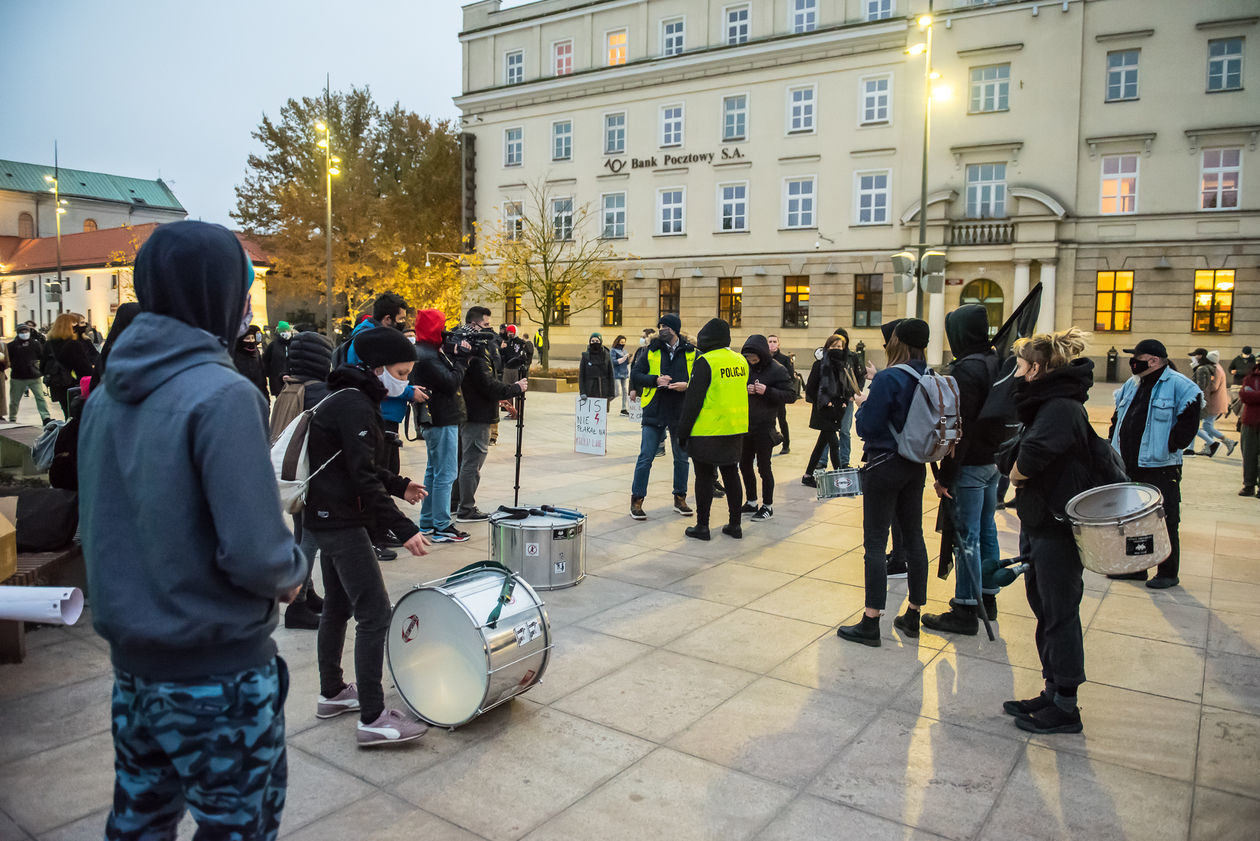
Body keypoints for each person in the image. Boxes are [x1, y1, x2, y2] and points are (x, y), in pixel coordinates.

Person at [79, 221, 307, 838]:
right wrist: (293, 572)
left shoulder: (104, 395)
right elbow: (258, 551)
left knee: (139, 821)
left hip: (135, 668)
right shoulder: (223, 394)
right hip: (218, 672)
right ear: (220, 291)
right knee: (240, 825)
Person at [304, 327, 430, 746]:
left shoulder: (347, 398)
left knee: (338, 605)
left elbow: (361, 467)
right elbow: (360, 477)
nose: (405, 379)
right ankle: (373, 718)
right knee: (375, 613)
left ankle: (332, 693)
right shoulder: (355, 405)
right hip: (340, 521)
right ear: (376, 369)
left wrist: (401, 484)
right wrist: (404, 528)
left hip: (327, 515)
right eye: (400, 371)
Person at [1001, 328, 1103, 735]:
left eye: (1021, 366)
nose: (1017, 373)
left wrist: (1014, 472)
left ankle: (1066, 706)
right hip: (1042, 519)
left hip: (1057, 527)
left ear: (1037, 368)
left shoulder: (1060, 407)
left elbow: (1031, 457)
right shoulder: (1051, 403)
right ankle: (1051, 689)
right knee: (1045, 609)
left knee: (1059, 614)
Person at [837, 318, 932, 647]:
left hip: (884, 463)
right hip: (915, 465)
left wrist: (863, 405)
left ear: (897, 342)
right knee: (915, 538)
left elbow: (866, 428)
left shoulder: (890, 376)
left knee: (875, 544)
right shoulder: (930, 374)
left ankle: (871, 621)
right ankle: (914, 614)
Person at [923, 305, 1002, 635]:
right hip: (993, 459)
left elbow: (959, 428)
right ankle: (988, 596)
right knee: (986, 529)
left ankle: (966, 608)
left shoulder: (967, 370)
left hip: (970, 463)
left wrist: (945, 475)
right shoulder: (996, 361)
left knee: (966, 535)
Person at [1108, 338, 1203, 589]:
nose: (1132, 363)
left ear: (1153, 361)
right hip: (1129, 464)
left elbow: (1190, 420)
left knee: (1165, 520)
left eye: (1136, 359)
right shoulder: (1132, 383)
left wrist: (1172, 444)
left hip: (1160, 467)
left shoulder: (1180, 385)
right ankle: (1137, 568)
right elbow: (1118, 416)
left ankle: (1168, 572)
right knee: (1132, 519)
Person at [274, 331, 337, 630]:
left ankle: (308, 594)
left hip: (294, 477)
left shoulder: (289, 386)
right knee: (308, 539)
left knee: (302, 534)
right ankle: (297, 605)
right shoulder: (317, 391)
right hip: (311, 475)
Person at [677, 318, 748, 540]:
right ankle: (735, 524)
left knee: (704, 477)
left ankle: (703, 526)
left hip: (707, 430)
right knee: (731, 474)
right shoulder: (740, 360)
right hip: (735, 428)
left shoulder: (705, 361)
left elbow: (693, 400)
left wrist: (683, 432)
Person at [457, 306, 527, 523]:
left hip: (472, 411)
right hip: (476, 415)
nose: (490, 331)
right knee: (472, 462)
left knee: (464, 460)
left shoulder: (474, 349)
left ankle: (456, 502)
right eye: (486, 326)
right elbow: (487, 384)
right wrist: (514, 388)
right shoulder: (474, 354)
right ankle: (466, 508)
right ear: (473, 324)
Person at [412, 308, 472, 543]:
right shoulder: (427, 356)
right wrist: (461, 361)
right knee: (446, 473)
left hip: (434, 418)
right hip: (442, 418)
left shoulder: (425, 351)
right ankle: (442, 526)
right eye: (442, 326)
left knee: (433, 472)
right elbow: (450, 382)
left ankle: (428, 522)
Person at [629, 314, 695, 520]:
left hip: (680, 411)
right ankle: (637, 500)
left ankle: (680, 498)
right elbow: (636, 374)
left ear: (675, 329)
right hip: (655, 410)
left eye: (665, 326)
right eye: (660, 326)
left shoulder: (692, 352)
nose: (661, 329)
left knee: (682, 458)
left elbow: (701, 379)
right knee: (646, 457)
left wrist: (687, 386)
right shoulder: (651, 350)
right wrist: (655, 380)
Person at [739, 334, 796, 521]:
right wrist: (743, 389)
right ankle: (752, 501)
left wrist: (767, 391)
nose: (751, 361)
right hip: (745, 425)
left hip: (765, 426)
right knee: (745, 465)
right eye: (748, 358)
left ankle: (768, 506)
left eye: (754, 358)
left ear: (762, 354)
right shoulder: (745, 367)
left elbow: (791, 395)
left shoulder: (777, 369)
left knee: (764, 467)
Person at [801, 334, 859, 486]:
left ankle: (807, 475)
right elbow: (810, 390)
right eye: (833, 346)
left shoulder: (843, 365)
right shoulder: (819, 365)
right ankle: (841, 478)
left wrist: (845, 401)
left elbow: (845, 388)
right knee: (834, 444)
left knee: (821, 444)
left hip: (837, 412)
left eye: (840, 347)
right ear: (827, 347)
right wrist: (825, 402)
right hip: (824, 412)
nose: (837, 349)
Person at [42, 312, 100, 418]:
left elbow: (42, 366)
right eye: (79, 323)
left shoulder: (49, 343)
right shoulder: (73, 344)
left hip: (57, 383)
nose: (83, 326)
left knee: (67, 413)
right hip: (75, 383)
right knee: (78, 415)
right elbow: (84, 368)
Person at [1191, 349, 1235, 456]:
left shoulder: (1217, 370)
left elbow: (1213, 386)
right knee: (1208, 424)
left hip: (1215, 401)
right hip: (1216, 400)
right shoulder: (1217, 368)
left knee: (1206, 425)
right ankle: (1209, 447)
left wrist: (1205, 387)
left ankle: (1227, 441)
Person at [7, 324, 51, 424]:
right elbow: (8, 360)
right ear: (18, 333)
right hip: (17, 377)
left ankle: (45, 417)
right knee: (14, 400)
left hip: (34, 376)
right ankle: (12, 417)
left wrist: (41, 369)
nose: (24, 334)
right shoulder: (11, 346)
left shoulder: (35, 344)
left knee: (40, 397)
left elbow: (42, 357)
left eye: (26, 331)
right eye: (22, 332)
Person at [767, 335, 794, 454]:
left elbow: (790, 377)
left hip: (779, 395)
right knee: (767, 421)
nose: (772, 344)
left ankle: (786, 444)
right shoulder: (764, 358)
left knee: (782, 420)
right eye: (770, 342)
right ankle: (769, 442)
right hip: (766, 394)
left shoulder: (784, 359)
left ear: (778, 344)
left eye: (774, 342)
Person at [1239, 363, 1260, 497]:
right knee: (1249, 455)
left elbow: (1250, 395)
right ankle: (1249, 485)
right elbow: (1244, 395)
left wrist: (1254, 394)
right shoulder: (1251, 377)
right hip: (1249, 422)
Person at [579, 332, 616, 402]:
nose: (595, 343)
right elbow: (581, 375)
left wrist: (612, 393)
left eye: (597, 341)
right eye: (592, 341)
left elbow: (611, 374)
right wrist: (582, 392)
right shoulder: (585, 356)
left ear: (601, 342)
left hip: (603, 389)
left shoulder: (606, 355)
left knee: (601, 412)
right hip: (589, 389)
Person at [233, 331, 269, 400]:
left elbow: (262, 374)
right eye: (247, 338)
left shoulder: (256, 352)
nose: (251, 341)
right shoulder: (234, 354)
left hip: (258, 392)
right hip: (241, 394)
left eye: (252, 338)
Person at [262, 320, 294, 397]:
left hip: (292, 379)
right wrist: (270, 373)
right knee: (280, 399)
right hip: (277, 380)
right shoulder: (273, 345)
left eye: (288, 331)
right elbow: (265, 360)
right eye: (284, 331)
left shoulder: (294, 344)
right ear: (279, 332)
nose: (286, 333)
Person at [611, 335, 631, 414]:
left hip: (624, 373)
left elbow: (627, 363)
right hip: (616, 373)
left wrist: (629, 358)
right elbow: (613, 362)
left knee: (625, 391)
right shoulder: (613, 350)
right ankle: (606, 401)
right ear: (618, 342)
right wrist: (623, 358)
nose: (622, 344)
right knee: (617, 392)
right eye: (621, 342)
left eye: (624, 342)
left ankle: (623, 408)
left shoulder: (624, 351)